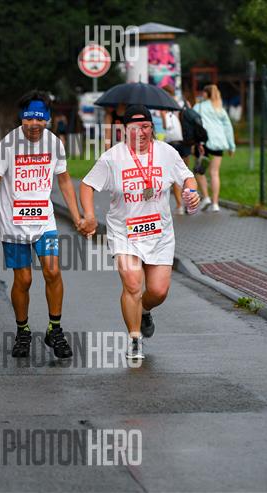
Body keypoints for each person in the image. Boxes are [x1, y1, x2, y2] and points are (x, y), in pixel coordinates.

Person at [78, 105, 200, 360]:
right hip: (124, 232)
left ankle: (143, 310)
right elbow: (87, 185)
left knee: (158, 291)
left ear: (152, 127)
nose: (142, 132)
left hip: (160, 234)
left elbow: (187, 178)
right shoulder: (112, 158)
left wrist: (191, 192)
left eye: (146, 126)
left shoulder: (167, 153)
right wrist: (89, 215)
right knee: (133, 282)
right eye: (135, 128)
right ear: (124, 130)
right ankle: (135, 338)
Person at [0, 90, 82, 359]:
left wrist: (77, 216)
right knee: (24, 279)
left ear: (48, 118)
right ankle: (23, 330)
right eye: (29, 119)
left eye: (40, 119)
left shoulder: (54, 144)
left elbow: (64, 181)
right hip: (14, 223)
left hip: (43, 221)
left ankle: (55, 329)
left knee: (53, 271)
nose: (34, 124)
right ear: (21, 118)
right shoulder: (8, 144)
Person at [192, 85, 235, 212]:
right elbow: (228, 127)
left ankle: (206, 197)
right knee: (215, 173)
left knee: (199, 171)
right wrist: (231, 146)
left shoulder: (198, 107)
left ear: (206, 94)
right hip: (218, 142)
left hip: (203, 142)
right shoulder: (220, 108)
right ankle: (215, 204)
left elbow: (193, 122)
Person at [160, 84, 189, 215]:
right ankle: (188, 203)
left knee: (174, 175)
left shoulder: (164, 107)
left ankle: (179, 206)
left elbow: (166, 126)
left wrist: (163, 115)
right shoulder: (180, 104)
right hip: (184, 141)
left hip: (171, 143)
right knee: (184, 174)